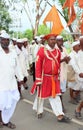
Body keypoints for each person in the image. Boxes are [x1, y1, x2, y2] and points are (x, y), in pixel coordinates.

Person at [31, 34, 71, 123]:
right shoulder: (42, 51)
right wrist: (38, 79)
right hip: (44, 77)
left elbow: (58, 63)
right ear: (47, 41)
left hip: (54, 78)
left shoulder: (57, 51)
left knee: (55, 96)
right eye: (51, 39)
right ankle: (39, 110)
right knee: (41, 96)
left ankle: (60, 115)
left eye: (54, 39)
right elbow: (38, 65)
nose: (53, 41)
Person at [0, 32, 24, 128]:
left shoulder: (13, 53)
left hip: (12, 84)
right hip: (1, 84)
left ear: (9, 41)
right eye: (2, 39)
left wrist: (21, 79)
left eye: (6, 40)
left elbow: (17, 67)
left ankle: (6, 120)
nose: (5, 41)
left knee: (12, 102)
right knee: (2, 103)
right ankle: (2, 120)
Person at [73, 36, 83, 119]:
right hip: (81, 76)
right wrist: (79, 72)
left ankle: (78, 108)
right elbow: (74, 64)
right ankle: (78, 108)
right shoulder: (77, 54)